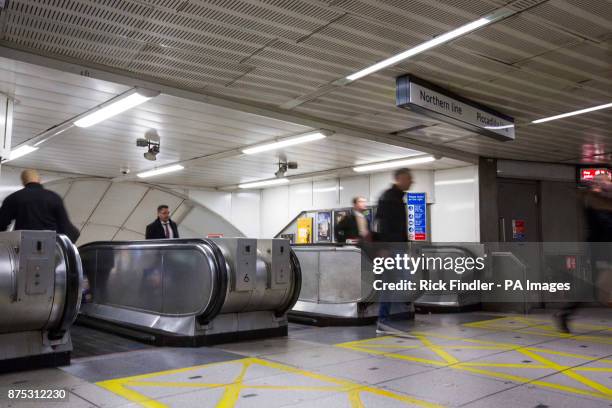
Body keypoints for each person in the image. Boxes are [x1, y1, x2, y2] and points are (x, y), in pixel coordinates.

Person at [555, 174, 612, 332]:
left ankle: (565, 313)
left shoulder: (605, 203)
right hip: (600, 251)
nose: (608, 185)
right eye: (605, 182)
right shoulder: (592, 203)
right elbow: (604, 226)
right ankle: (565, 313)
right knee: (592, 287)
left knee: (592, 287)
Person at [374, 168, 413, 335]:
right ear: (399, 179)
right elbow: (382, 223)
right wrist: (384, 247)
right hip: (392, 248)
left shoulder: (397, 197)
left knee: (394, 281)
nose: (411, 181)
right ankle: (383, 319)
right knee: (393, 281)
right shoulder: (389, 197)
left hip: (398, 247)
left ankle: (385, 318)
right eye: (408, 179)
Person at [0, 169, 80, 242]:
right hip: (51, 247)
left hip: (23, 246)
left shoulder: (13, 198)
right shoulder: (54, 197)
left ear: (23, 181)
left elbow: (1, 224)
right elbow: (65, 226)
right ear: (39, 179)